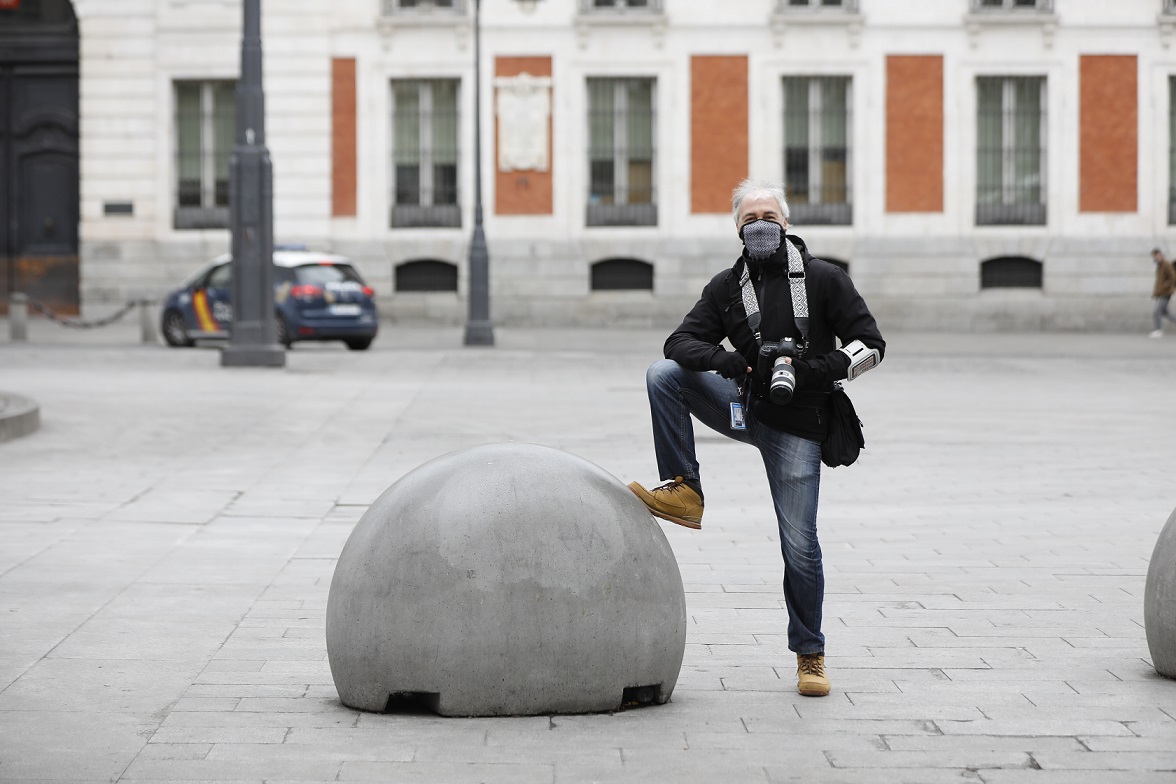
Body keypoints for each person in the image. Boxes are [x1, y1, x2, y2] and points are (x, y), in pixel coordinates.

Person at [628, 178, 885, 698]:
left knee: (800, 547)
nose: (760, 225)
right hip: (746, 405)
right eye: (750, 220)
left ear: (785, 223)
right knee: (664, 374)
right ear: (738, 230)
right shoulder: (727, 286)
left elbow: (871, 345)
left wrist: (814, 369)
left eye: (768, 216)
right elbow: (678, 341)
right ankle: (685, 489)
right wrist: (726, 360)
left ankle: (809, 655)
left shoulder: (824, 279)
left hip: (800, 424)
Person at [1149, 248, 1176, 339]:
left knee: (1157, 311)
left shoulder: (1166, 264)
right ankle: (1157, 330)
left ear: (1159, 254)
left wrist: (1165, 286)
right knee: (1166, 313)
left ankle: (1158, 330)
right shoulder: (1160, 265)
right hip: (1162, 292)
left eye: (1155, 256)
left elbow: (1173, 278)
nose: (1154, 258)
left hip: (1165, 292)